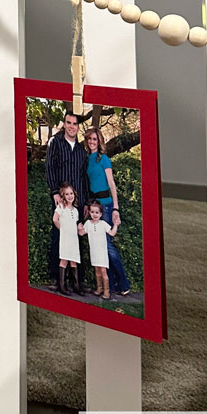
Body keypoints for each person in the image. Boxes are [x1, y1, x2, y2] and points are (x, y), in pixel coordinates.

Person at [83, 126, 130, 295]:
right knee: (100, 247)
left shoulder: (104, 159)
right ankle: (108, 287)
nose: (92, 142)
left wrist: (116, 208)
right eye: (89, 139)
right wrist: (89, 206)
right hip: (94, 204)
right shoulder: (88, 159)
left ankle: (124, 284)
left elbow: (111, 184)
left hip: (107, 205)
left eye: (95, 139)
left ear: (99, 141)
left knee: (108, 246)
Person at [45, 111, 88, 288]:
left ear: (78, 127)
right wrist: (55, 192)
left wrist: (84, 202)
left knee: (77, 238)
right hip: (61, 200)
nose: (71, 126)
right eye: (68, 123)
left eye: (75, 124)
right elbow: (49, 167)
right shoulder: (55, 143)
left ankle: (77, 281)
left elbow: (84, 177)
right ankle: (57, 278)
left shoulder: (81, 150)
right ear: (64, 124)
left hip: (77, 203)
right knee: (59, 236)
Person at [82, 198, 119, 300]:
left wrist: (115, 225)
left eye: (97, 212)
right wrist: (79, 226)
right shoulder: (88, 224)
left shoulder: (103, 224)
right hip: (93, 252)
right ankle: (99, 289)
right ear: (89, 212)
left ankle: (107, 292)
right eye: (92, 212)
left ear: (101, 214)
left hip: (102, 253)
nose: (94, 214)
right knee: (97, 270)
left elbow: (112, 233)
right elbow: (81, 233)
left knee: (103, 271)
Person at [53, 183, 81, 295]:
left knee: (73, 260)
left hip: (74, 239)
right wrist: (62, 230)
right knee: (64, 260)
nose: (69, 196)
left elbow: (75, 224)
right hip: (65, 238)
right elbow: (55, 219)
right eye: (67, 194)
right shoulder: (61, 207)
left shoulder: (75, 210)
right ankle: (62, 286)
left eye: (71, 193)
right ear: (63, 196)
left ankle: (76, 285)